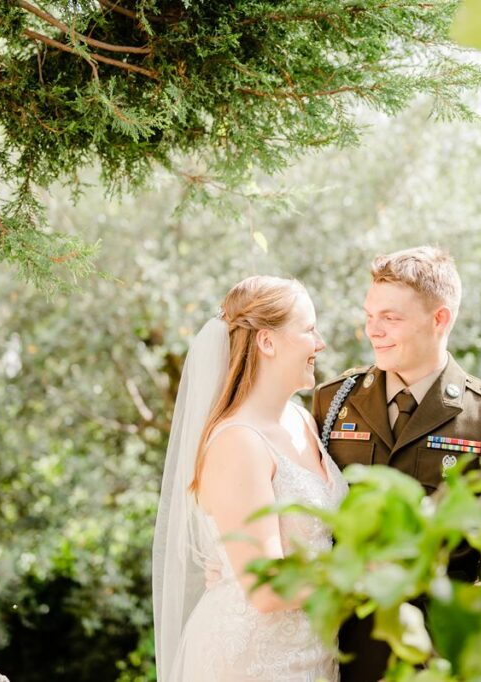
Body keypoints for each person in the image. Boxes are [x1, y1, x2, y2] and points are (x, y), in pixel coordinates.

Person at [312, 247, 481, 682]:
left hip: (438, 658)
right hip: (339, 654)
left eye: (391, 318)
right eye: (370, 314)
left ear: (440, 319)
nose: (372, 331)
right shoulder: (332, 400)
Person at [153, 275, 349, 681]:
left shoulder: (300, 418)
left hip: (313, 653)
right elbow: (266, 588)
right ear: (267, 341)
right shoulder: (238, 442)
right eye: (309, 329)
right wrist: (363, 572)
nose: (320, 343)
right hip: (254, 662)